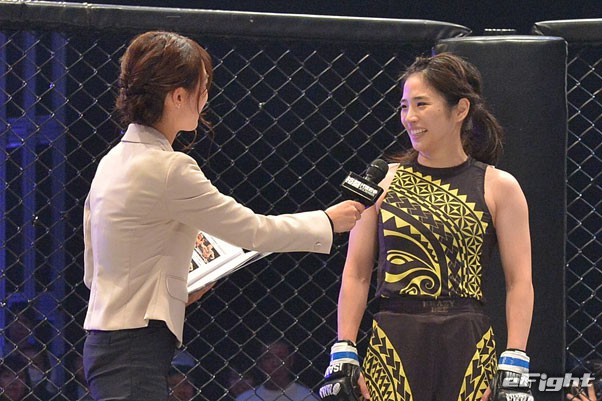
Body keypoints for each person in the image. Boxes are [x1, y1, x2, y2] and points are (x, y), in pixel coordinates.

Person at [82, 30, 365, 401]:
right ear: (178, 96)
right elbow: (252, 230)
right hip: (136, 349)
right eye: (202, 88)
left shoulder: (112, 161)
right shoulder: (169, 167)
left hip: (109, 344)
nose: (206, 99)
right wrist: (327, 221)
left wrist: (171, 291)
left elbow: (95, 272)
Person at [321, 53, 534, 401]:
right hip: (394, 338)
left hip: (467, 340)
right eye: (404, 106)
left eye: (421, 104)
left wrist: (515, 360)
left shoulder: (499, 187)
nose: (410, 117)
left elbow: (519, 281)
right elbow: (357, 273)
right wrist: (344, 350)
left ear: (460, 109)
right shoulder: (383, 184)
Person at [237, 340, 319, 401]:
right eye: (268, 358)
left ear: (291, 361)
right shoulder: (246, 399)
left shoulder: (308, 397)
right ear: (259, 364)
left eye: (281, 357)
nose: (275, 363)